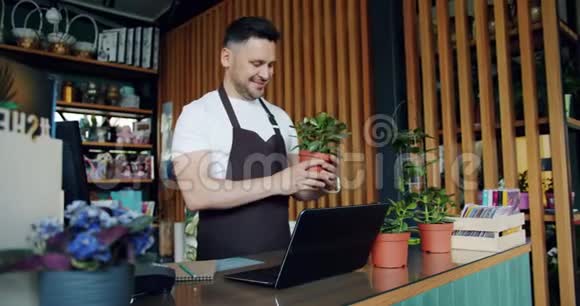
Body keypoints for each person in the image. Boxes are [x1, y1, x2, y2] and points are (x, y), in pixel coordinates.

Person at [172, 16, 339, 260]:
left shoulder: (280, 117)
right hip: (222, 270)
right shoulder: (198, 113)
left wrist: (322, 181)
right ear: (226, 58)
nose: (266, 74)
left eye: (271, 65)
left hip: (279, 260)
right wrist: (278, 182)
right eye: (257, 63)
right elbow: (197, 194)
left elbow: (299, 189)